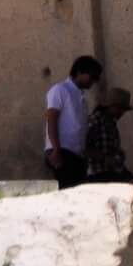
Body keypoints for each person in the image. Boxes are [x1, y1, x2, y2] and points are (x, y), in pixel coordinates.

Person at [43, 56, 100, 191]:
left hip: (76, 155)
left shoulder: (81, 98)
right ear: (80, 72)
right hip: (62, 152)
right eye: (92, 77)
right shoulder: (60, 90)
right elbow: (51, 119)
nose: (93, 82)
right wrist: (56, 150)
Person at [84, 86, 133, 184]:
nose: (122, 113)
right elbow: (84, 147)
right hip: (98, 174)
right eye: (120, 109)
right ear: (111, 106)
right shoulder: (96, 120)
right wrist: (105, 158)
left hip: (113, 171)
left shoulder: (111, 123)